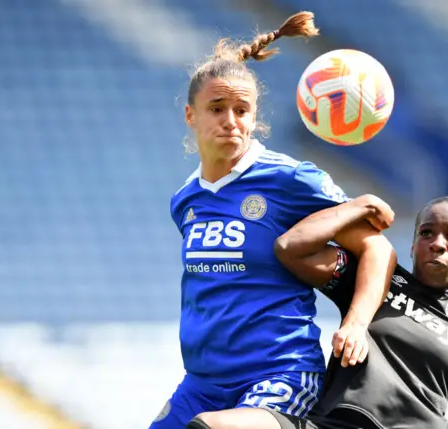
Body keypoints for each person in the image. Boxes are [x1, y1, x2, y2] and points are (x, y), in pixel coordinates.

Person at [151, 12, 398, 429]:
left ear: (254, 117)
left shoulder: (290, 179)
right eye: (217, 108)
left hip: (280, 373)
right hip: (203, 383)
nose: (231, 121)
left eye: (242, 110)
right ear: (191, 116)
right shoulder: (186, 201)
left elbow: (377, 245)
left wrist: (355, 324)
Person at [187, 195, 448, 429]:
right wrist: (358, 206)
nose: (437, 243)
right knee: (211, 425)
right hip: (329, 423)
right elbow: (291, 248)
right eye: (427, 233)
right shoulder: (378, 280)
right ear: (412, 244)